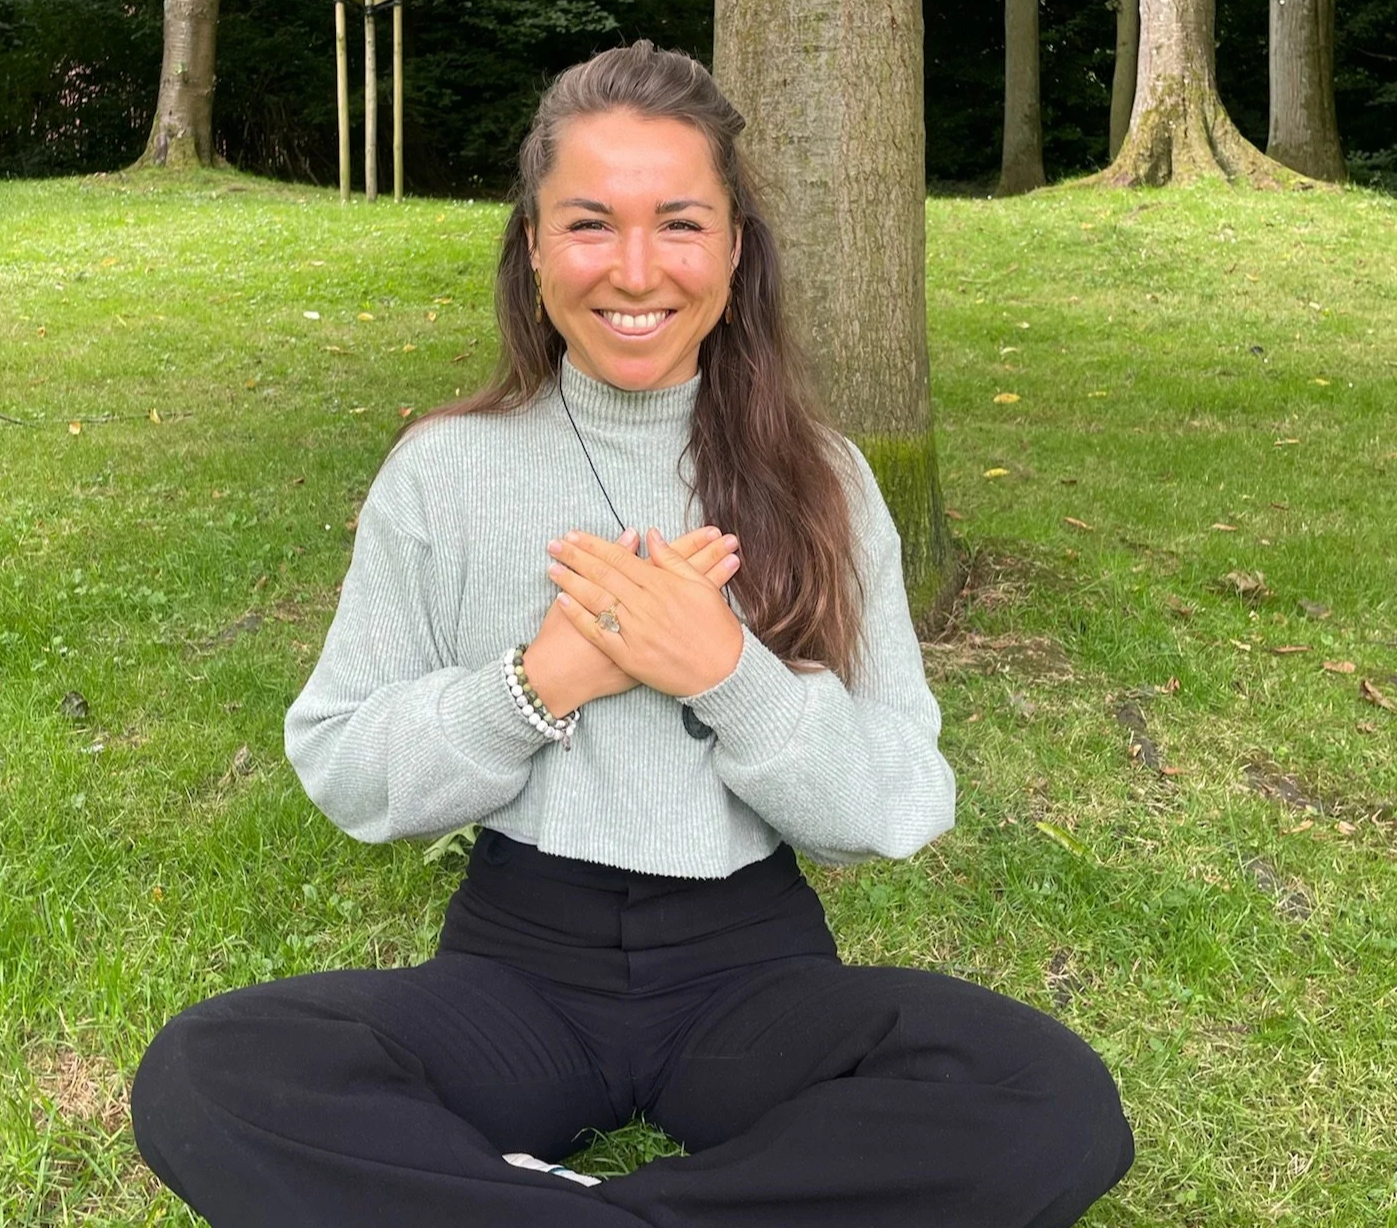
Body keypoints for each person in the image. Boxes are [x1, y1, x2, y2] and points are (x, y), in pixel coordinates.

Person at [130, 39, 1134, 1228]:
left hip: (750, 968)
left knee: (1050, 1099)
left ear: (734, 247)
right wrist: (540, 678)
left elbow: (900, 799)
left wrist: (725, 673)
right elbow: (346, 764)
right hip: (514, 967)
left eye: (680, 223)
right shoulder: (443, 469)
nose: (636, 269)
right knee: (210, 1071)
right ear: (535, 244)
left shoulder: (824, 479)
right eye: (590, 223)